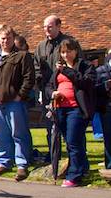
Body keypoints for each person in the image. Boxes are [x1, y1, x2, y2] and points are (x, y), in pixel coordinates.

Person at [0, 25, 35, 181]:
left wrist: (20, 95)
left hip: (14, 102)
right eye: (2, 38)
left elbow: (29, 78)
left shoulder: (22, 56)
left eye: (7, 38)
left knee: (19, 134)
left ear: (13, 39)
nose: (5, 41)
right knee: (0, 134)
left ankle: (22, 165)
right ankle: (4, 163)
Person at [50, 38, 96, 187]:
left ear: (76, 51)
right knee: (71, 141)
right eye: (63, 52)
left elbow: (85, 82)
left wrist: (67, 71)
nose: (65, 55)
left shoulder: (85, 66)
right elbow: (49, 85)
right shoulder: (58, 69)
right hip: (61, 108)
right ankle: (83, 169)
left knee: (73, 141)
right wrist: (53, 93)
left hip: (76, 109)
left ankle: (74, 175)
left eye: (68, 51)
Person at [34, 15, 80, 157]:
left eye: (50, 26)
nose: (46, 29)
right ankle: (54, 155)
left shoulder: (69, 43)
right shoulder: (41, 46)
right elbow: (36, 68)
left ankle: (75, 159)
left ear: (58, 26)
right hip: (49, 92)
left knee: (71, 130)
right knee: (51, 127)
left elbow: (79, 65)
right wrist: (41, 84)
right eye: (44, 26)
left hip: (68, 93)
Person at [95, 50, 111, 171]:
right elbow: (93, 89)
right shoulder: (100, 71)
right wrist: (106, 86)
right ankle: (110, 166)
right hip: (107, 107)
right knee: (109, 137)